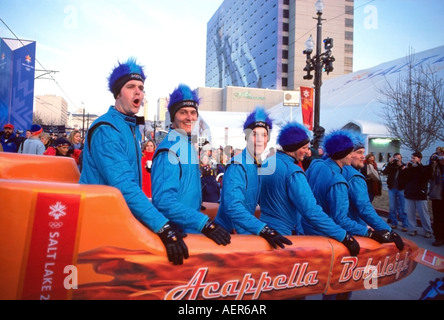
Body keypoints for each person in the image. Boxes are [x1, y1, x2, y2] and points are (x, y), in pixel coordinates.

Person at [80, 58, 188, 266]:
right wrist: (162, 226)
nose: (138, 92)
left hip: (116, 220)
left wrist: (160, 219)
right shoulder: (107, 129)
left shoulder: (128, 128)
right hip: (100, 227)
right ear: (118, 93)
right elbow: (124, 186)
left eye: (141, 88)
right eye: (131, 87)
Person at [260, 122, 360, 256]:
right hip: (284, 236)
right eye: (305, 148)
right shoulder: (294, 172)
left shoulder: (268, 162)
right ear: (293, 148)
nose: (308, 152)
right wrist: (343, 236)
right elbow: (311, 211)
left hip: (265, 231)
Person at [151, 84, 230, 246]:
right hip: (179, 237)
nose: (189, 117)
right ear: (173, 116)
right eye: (183, 112)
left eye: (193, 112)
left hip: (191, 232)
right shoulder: (170, 150)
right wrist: (204, 223)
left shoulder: (187, 144)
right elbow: (164, 202)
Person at [215, 107, 292, 249]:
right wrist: (262, 229)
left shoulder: (256, 165)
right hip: (228, 238)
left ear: (268, 139)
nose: (259, 140)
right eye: (254, 134)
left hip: (242, 234)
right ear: (246, 137)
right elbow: (233, 207)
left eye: (263, 135)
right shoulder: (238, 165)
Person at [342, 133, 404, 250]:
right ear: (348, 153)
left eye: (363, 153)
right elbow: (364, 208)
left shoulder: (321, 166)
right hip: (351, 232)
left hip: (330, 232)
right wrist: (388, 230)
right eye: (359, 152)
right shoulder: (354, 177)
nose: (363, 156)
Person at [400, 152, 433, 238]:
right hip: (410, 193)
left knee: (423, 214)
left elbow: (426, 176)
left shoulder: (424, 168)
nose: (412, 160)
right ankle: (413, 229)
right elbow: (403, 178)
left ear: (419, 159)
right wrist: (406, 168)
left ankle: (428, 230)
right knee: (410, 213)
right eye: (412, 158)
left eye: (414, 158)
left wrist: (419, 166)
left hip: (420, 194)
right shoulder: (409, 169)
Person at [382, 153, 409, 231]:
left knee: (403, 208)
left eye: (399, 158)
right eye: (396, 158)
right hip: (392, 188)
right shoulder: (391, 166)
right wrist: (389, 163)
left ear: (401, 158)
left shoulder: (404, 166)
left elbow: (406, 175)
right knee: (392, 207)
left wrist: (400, 165)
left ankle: (405, 224)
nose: (397, 159)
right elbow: (385, 172)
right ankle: (394, 223)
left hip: (401, 189)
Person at [429, 148, 444, 247]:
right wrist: (433, 162)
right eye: (439, 154)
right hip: (437, 195)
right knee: (438, 217)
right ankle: (439, 237)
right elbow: (428, 174)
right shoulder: (435, 166)